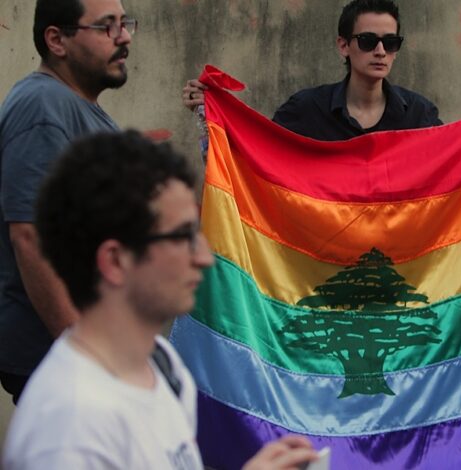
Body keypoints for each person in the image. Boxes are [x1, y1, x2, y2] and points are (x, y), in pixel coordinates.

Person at [2, 130, 319, 470]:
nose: (204, 257)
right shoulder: (68, 431)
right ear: (115, 261)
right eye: (183, 236)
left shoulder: (160, 361)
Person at [0, 0, 133, 404]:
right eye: (106, 26)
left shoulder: (80, 109)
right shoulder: (43, 107)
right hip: (64, 362)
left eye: (125, 23)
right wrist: (83, 355)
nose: (125, 37)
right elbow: (30, 237)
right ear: (56, 40)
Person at [182, 0, 461, 141]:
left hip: (396, 261)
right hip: (318, 261)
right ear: (344, 45)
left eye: (391, 42)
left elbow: (457, 164)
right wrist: (208, 113)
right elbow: (255, 161)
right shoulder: (304, 110)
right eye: (369, 40)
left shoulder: (419, 116)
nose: (380, 51)